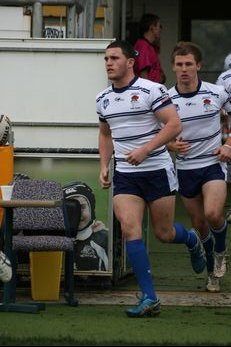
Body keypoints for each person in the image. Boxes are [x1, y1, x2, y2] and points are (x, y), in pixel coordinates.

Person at [96, 39, 206, 318]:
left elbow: (174, 124)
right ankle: (150, 298)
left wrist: (145, 149)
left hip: (156, 169)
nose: (109, 63)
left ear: (130, 62)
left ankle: (192, 240)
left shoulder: (151, 90)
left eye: (114, 58)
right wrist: (104, 165)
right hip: (126, 175)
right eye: (106, 58)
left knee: (163, 233)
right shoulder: (102, 99)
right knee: (130, 228)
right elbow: (106, 133)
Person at [168, 41, 231, 293]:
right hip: (185, 168)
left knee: (214, 214)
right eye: (179, 64)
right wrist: (172, 145)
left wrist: (228, 144)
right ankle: (210, 275)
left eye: (189, 64)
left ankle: (220, 252)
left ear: (198, 66)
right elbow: (156, 133)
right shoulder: (165, 98)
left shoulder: (217, 93)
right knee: (200, 223)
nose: (184, 69)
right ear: (173, 67)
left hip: (212, 164)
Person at [63, 181, 109, 272]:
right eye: (70, 208)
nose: (78, 213)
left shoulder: (103, 239)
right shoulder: (56, 240)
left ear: (91, 208)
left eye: (82, 207)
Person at [133, 13, 166, 84]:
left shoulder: (149, 46)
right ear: (152, 28)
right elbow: (143, 74)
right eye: (159, 26)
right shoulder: (143, 46)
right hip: (149, 90)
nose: (160, 29)